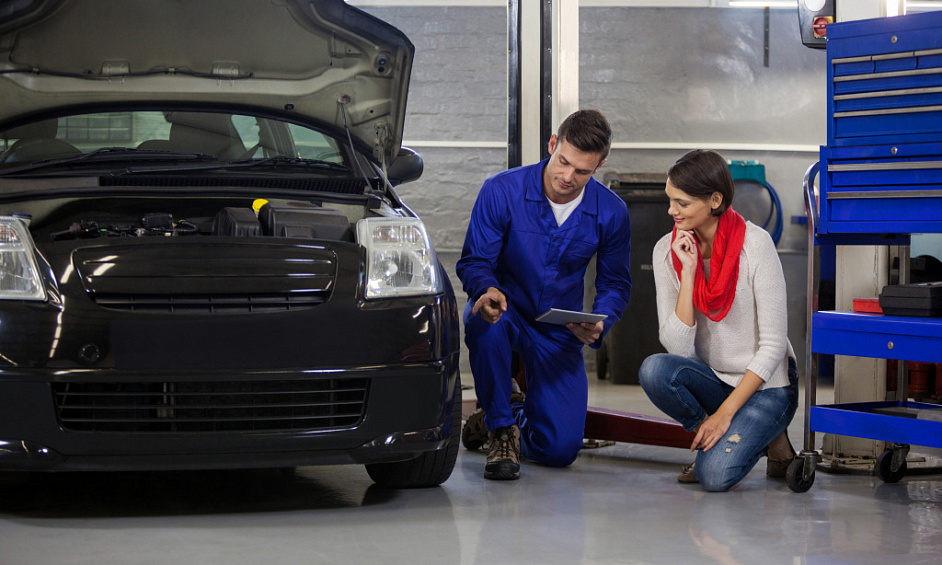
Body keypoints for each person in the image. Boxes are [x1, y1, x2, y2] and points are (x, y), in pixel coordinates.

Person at [456, 109, 632, 481]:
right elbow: (475, 261)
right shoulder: (502, 191)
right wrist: (486, 290)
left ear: (599, 166)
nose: (568, 177)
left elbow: (615, 284)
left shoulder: (611, 212)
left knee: (560, 450)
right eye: (563, 162)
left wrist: (600, 320)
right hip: (505, 311)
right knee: (482, 320)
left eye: (582, 171)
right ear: (553, 144)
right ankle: (501, 430)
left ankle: (502, 416)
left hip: (559, 327)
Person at [638, 149, 797, 492]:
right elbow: (677, 347)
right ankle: (720, 433)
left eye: (682, 203)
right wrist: (689, 272)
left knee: (713, 476)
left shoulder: (756, 245)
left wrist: (726, 414)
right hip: (714, 378)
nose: (671, 211)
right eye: (670, 200)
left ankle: (772, 436)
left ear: (714, 200)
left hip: (766, 385)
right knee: (653, 370)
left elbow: (772, 347)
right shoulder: (667, 250)